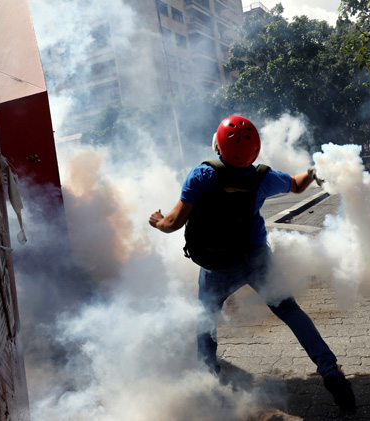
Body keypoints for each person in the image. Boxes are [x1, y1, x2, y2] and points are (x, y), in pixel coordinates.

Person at [149, 115, 356, 412]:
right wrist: (313, 171)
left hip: (216, 266)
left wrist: (157, 221)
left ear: (218, 147)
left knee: (205, 322)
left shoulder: (202, 175)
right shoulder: (262, 178)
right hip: (257, 257)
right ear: (254, 151)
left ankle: (209, 385)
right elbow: (297, 186)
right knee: (288, 309)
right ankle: (329, 369)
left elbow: (172, 223)